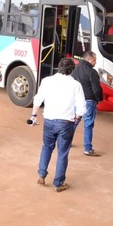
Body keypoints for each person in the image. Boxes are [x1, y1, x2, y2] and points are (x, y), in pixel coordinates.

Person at [31, 57, 86, 192]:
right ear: (72, 70)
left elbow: (38, 99)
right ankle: (58, 183)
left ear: (58, 67)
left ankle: (41, 174)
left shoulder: (47, 81)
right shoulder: (75, 85)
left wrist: (33, 115)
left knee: (47, 147)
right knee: (62, 153)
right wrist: (76, 120)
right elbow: (81, 108)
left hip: (49, 120)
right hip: (66, 123)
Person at [71, 50, 103, 157]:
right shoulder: (92, 72)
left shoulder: (74, 69)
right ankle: (87, 149)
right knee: (88, 124)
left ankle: (66, 142)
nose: (95, 62)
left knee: (74, 121)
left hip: (76, 100)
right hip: (89, 100)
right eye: (94, 60)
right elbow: (96, 89)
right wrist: (99, 99)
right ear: (89, 60)